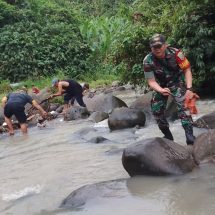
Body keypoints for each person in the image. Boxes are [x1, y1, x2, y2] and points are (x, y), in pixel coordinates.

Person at [143, 33, 195, 145]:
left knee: (184, 107)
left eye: (159, 46)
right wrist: (160, 90)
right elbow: (151, 81)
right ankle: (168, 135)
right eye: (154, 47)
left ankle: (189, 136)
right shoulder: (147, 60)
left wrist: (189, 89)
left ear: (165, 45)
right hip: (161, 86)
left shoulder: (176, 53)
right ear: (151, 48)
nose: (157, 49)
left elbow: (187, 70)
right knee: (156, 110)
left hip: (177, 83)